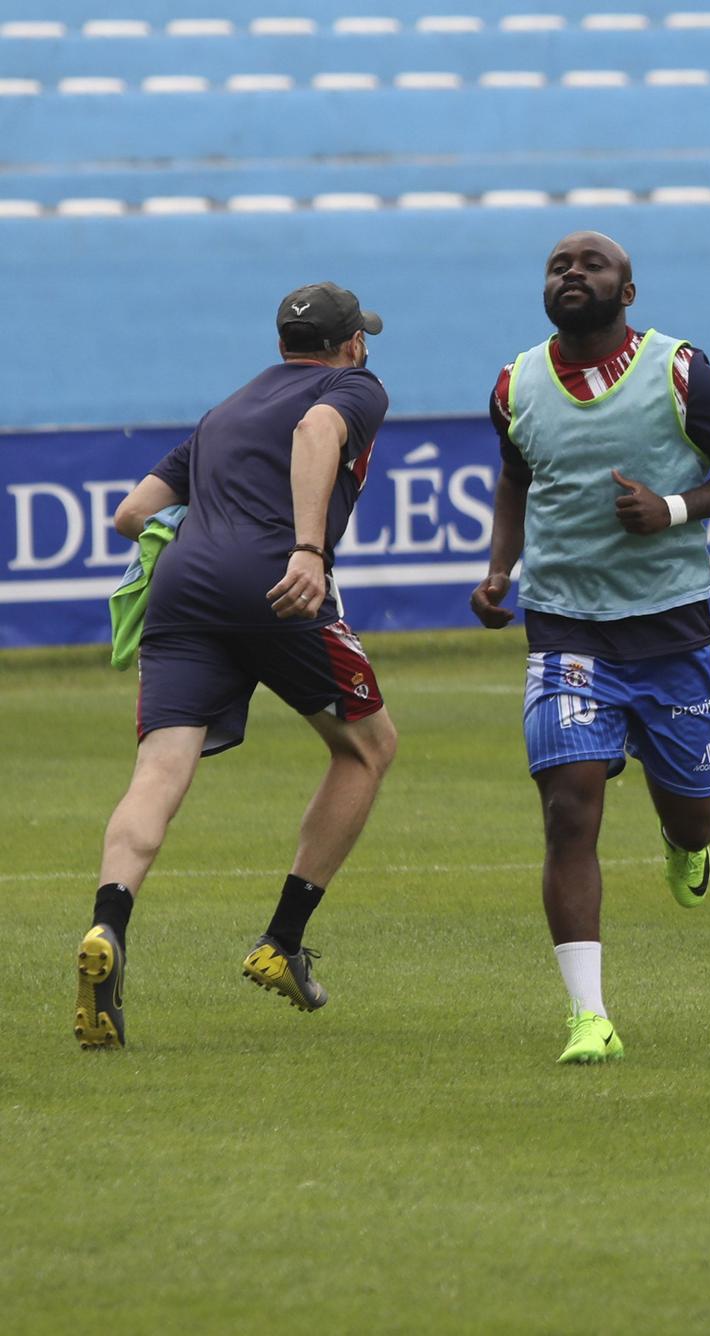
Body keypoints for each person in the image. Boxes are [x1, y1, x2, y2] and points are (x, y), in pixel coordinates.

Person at [472, 231, 710, 1063]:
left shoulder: (680, 371)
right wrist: (500, 570)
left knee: (694, 810)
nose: (572, 273)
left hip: (670, 629)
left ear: (627, 291)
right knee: (570, 808)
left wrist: (673, 509)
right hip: (565, 627)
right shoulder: (515, 384)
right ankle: (589, 1017)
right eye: (558, 265)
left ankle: (687, 846)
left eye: (591, 264)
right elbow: (515, 478)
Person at [76, 282, 398, 1050]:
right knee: (368, 747)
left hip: (183, 586)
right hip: (275, 580)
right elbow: (320, 429)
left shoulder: (225, 409)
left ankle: (107, 927)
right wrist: (308, 550)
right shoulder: (352, 387)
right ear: (351, 342)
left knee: (158, 771)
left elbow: (129, 516)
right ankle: (282, 942)